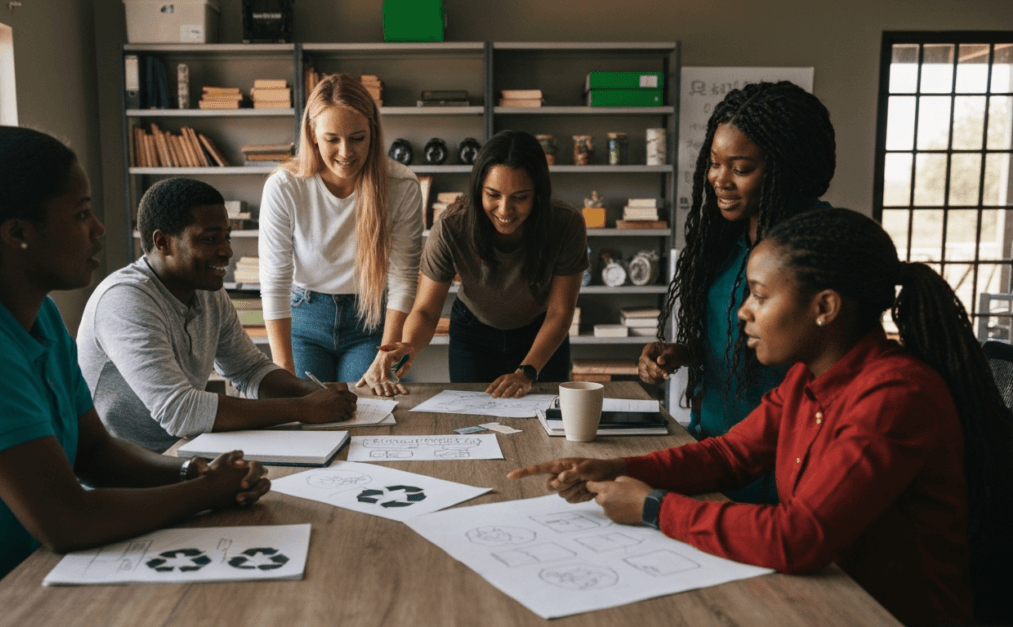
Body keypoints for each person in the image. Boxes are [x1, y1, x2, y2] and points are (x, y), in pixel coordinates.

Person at [510, 208, 1013, 627]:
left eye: (760, 295)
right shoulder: (805, 379)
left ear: (825, 307)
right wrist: (619, 471)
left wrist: (654, 508)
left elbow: (800, 537)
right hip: (820, 599)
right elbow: (730, 455)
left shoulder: (895, 397)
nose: (743, 312)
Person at [0, 128, 270, 615]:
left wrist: (188, 471)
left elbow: (94, 452)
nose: (99, 228)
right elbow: (66, 520)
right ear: (18, 234)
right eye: (80, 214)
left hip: (22, 575)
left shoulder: (41, 316)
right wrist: (204, 492)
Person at [639, 81, 836, 504]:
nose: (719, 180)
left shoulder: (822, 245)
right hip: (713, 449)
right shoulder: (721, 238)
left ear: (786, 167)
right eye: (713, 164)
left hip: (782, 465)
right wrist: (684, 351)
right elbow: (728, 332)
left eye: (741, 168)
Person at [77, 177, 357, 454]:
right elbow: (180, 411)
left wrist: (309, 391)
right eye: (210, 239)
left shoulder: (206, 289)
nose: (227, 251)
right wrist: (303, 408)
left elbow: (249, 370)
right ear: (163, 242)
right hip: (125, 467)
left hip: (188, 448)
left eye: (226, 237)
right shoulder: (125, 300)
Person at [368, 130, 587, 398]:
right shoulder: (452, 226)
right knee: (474, 420)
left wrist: (526, 372)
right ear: (478, 189)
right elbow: (425, 310)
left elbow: (560, 313)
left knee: (546, 421)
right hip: (474, 335)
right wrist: (409, 345)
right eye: (493, 195)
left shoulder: (566, 224)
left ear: (538, 194)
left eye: (520, 197)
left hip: (541, 332)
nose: (505, 210)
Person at [259, 73, 423, 395]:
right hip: (305, 318)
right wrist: (283, 371)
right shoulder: (284, 186)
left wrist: (386, 355)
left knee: (368, 402)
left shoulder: (400, 185)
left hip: (368, 319)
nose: (345, 152)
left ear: (373, 134)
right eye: (332, 139)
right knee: (303, 410)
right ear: (312, 135)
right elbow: (274, 282)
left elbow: (403, 278)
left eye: (358, 138)